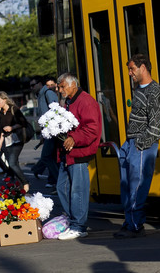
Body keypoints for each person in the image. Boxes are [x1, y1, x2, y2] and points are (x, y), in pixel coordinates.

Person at [114, 54, 160, 239]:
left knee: (137, 185)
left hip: (141, 144)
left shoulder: (154, 90)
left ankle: (135, 226)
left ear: (143, 67)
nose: (129, 73)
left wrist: (140, 145)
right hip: (130, 142)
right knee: (126, 185)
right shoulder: (138, 89)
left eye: (132, 69)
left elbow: (154, 125)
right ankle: (130, 222)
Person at [56, 73, 102, 240]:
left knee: (78, 191)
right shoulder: (69, 101)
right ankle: (74, 220)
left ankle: (78, 226)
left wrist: (74, 138)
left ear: (73, 85)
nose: (60, 90)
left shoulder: (85, 101)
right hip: (68, 153)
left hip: (79, 152)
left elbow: (92, 129)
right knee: (62, 187)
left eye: (62, 86)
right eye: (59, 87)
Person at [0, 91, 30, 193]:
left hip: (17, 139)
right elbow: (1, 131)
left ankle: (25, 183)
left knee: (12, 163)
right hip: (8, 141)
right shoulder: (1, 113)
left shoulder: (13, 109)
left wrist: (12, 127)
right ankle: (20, 186)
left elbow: (23, 123)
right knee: (14, 164)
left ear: (5, 100)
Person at [31, 77, 60, 190]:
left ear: (39, 83)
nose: (31, 88)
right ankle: (53, 180)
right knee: (51, 157)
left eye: (33, 85)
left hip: (53, 131)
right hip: (48, 132)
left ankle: (59, 181)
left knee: (46, 156)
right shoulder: (40, 96)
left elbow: (56, 111)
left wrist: (50, 130)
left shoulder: (48, 93)